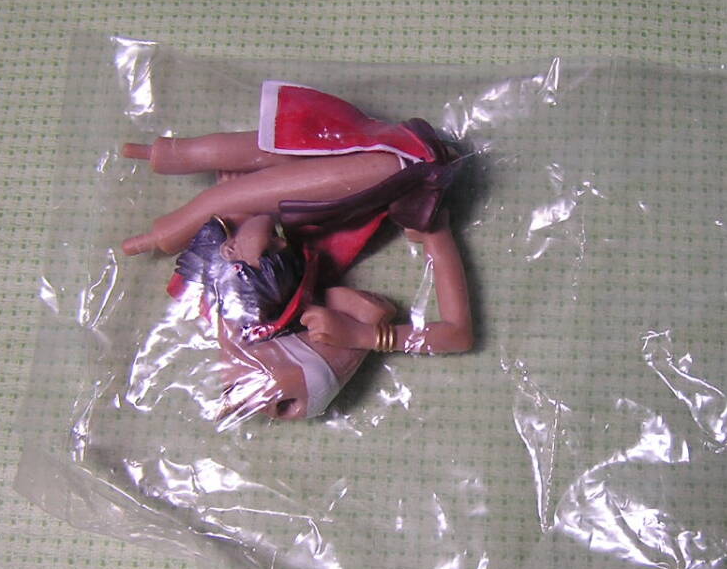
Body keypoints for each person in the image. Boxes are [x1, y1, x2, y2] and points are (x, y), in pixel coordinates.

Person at [121, 82, 473, 424]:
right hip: (403, 170)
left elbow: (248, 230)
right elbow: (456, 334)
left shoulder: (246, 317)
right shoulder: (304, 309)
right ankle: (172, 173)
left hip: (395, 172)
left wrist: (241, 223)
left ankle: (170, 184)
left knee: (248, 182)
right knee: (277, 165)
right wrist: (437, 236)